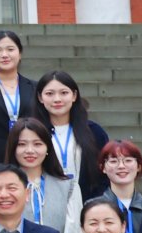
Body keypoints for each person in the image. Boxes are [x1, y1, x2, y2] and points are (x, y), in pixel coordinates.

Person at [5, 118, 84, 233]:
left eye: (37, 144)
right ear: (13, 148)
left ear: (47, 148)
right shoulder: (3, 188)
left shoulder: (68, 186)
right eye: (22, 144)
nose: (30, 151)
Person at [38, 70, 111, 201]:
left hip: (87, 203)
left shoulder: (94, 132)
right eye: (49, 94)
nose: (57, 99)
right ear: (40, 98)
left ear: (74, 95)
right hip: (45, 203)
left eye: (64, 93)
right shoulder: (33, 132)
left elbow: (105, 172)